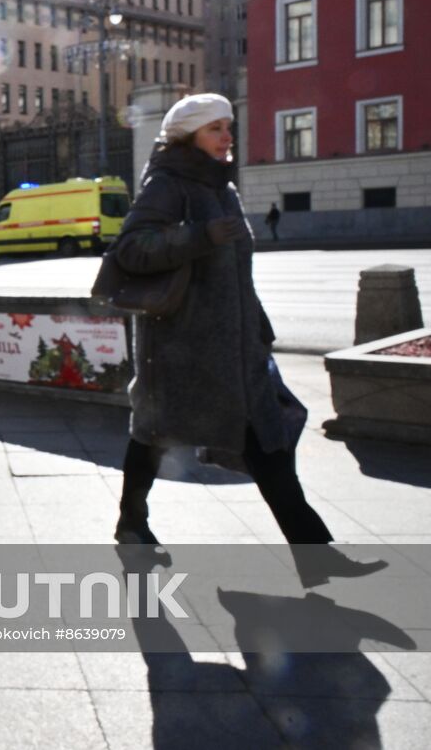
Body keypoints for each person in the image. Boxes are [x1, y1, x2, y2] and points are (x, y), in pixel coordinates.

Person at [110, 93, 381, 585]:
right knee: (153, 435)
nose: (227, 136)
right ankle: (132, 525)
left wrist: (256, 323)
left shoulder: (221, 186)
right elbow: (131, 248)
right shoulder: (168, 183)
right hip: (179, 348)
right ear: (188, 135)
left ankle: (315, 555)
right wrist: (200, 235)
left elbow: (235, 271)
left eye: (228, 126)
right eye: (214, 128)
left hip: (235, 347)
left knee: (266, 441)